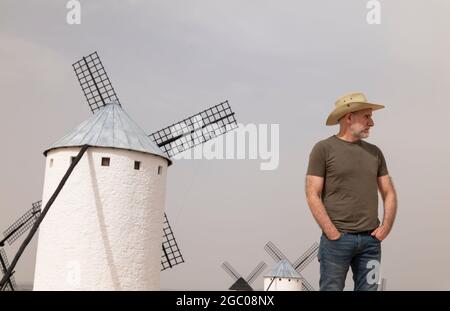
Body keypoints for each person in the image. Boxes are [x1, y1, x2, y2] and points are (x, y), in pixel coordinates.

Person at [305, 92, 397, 291]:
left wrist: (385, 228)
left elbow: (389, 192)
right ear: (349, 117)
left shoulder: (375, 152)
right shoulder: (323, 149)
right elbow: (312, 193)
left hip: (371, 242)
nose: (371, 123)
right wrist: (331, 232)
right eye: (367, 116)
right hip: (337, 241)